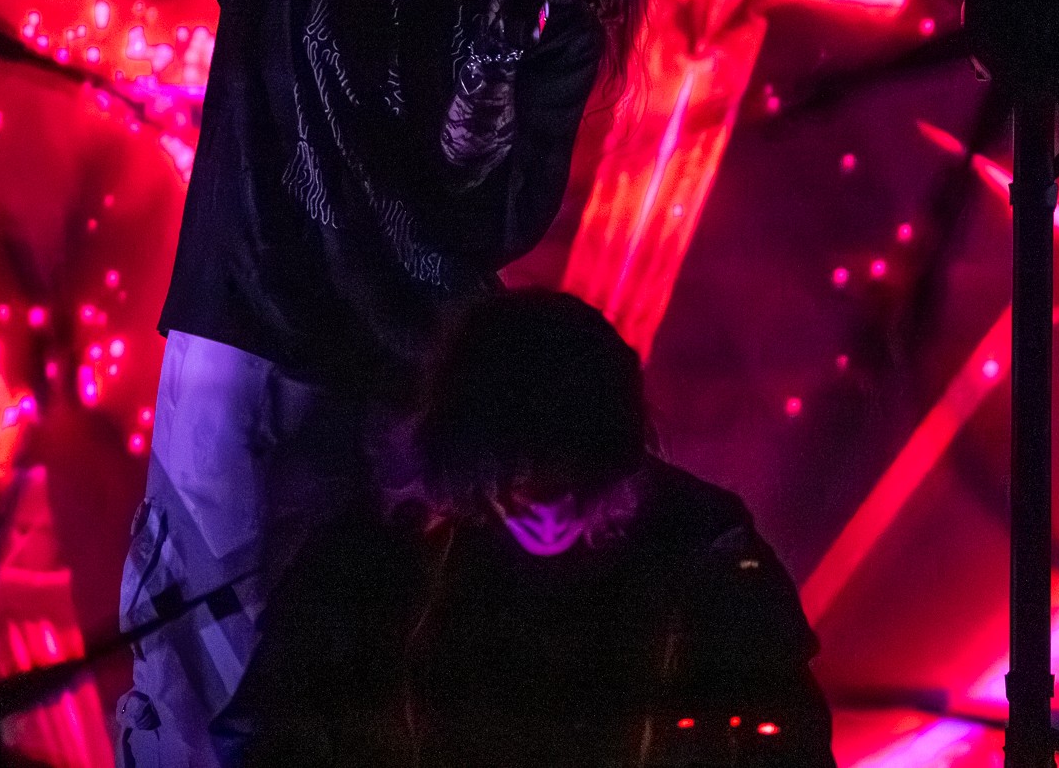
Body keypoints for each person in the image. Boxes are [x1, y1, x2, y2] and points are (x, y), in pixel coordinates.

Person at [23, 0, 708, 768]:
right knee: (196, 626)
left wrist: (497, 63)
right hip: (249, 308)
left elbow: (486, 195)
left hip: (398, 368)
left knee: (379, 644)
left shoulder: (559, 42)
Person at [227, 287, 836, 768]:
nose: (548, 510)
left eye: (571, 480)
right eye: (522, 483)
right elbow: (279, 735)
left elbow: (786, 742)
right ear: (469, 458)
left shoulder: (705, 552)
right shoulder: (380, 560)